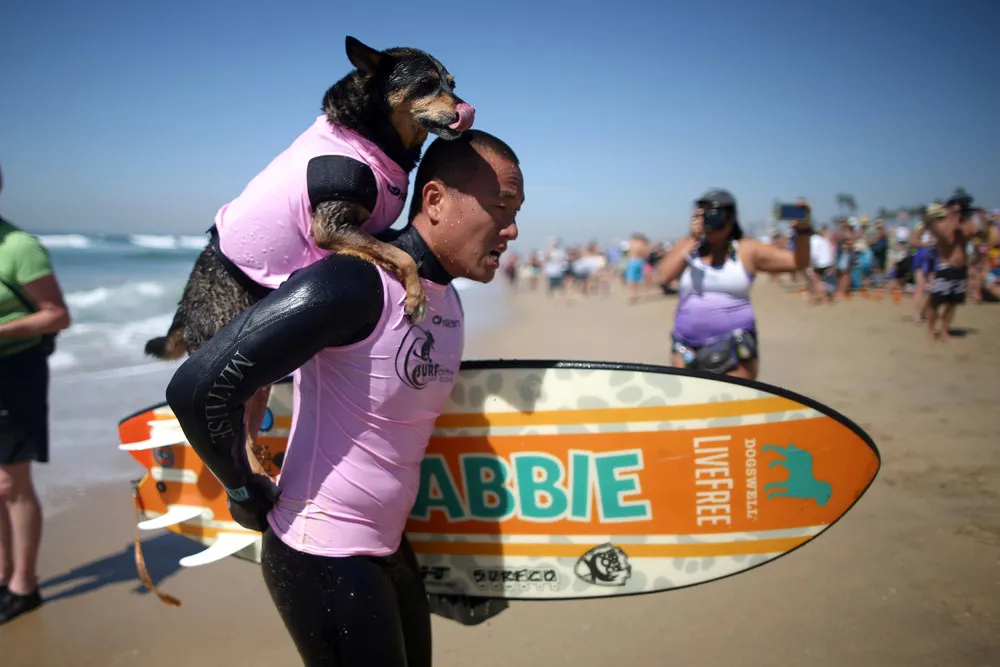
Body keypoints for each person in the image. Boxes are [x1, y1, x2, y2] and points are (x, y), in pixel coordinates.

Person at [165, 129, 523, 667]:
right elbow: (197, 388)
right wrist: (241, 489)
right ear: (434, 200)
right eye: (501, 208)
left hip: (389, 545)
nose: (513, 229)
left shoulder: (448, 299)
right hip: (321, 553)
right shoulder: (355, 284)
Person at [0, 164, 72, 624]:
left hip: (14, 370)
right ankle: (2, 572)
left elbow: (56, 315)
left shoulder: (19, 247)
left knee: (10, 482)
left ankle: (24, 585)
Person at [657, 188, 811, 379]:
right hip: (685, 348)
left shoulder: (747, 250)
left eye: (715, 213)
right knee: (689, 405)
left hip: (734, 349)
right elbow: (664, 276)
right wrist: (693, 239)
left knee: (731, 405)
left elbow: (798, 262)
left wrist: (803, 230)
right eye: (704, 213)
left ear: (731, 216)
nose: (710, 220)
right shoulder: (688, 246)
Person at [922, 199, 975, 342]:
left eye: (959, 210)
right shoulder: (943, 225)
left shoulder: (964, 227)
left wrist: (970, 216)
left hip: (961, 269)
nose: (957, 212)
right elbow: (944, 236)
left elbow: (978, 232)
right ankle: (931, 331)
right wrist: (950, 217)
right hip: (946, 268)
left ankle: (945, 331)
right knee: (935, 303)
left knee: (952, 303)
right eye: (955, 209)